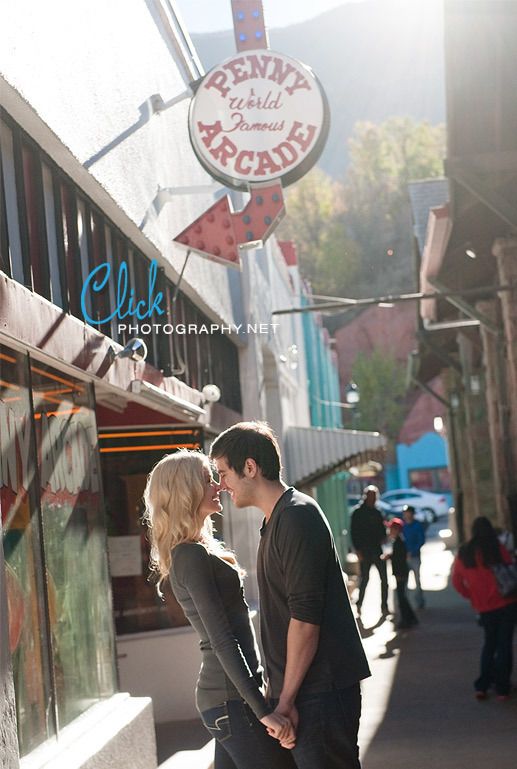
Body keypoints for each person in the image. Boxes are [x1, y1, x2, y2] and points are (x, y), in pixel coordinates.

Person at [210, 421, 370, 769]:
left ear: (249, 467)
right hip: (304, 691)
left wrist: (286, 700)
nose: (221, 486)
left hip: (320, 691)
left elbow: (305, 621)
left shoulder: (297, 515)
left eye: (224, 473)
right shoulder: (275, 520)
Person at [143, 449, 296, 769]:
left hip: (231, 699)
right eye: (207, 479)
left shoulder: (198, 551)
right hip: (231, 702)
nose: (219, 485)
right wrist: (263, 710)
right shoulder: (190, 556)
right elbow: (222, 639)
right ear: (186, 491)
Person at [452, 516, 517, 700]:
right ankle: (502, 688)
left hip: (484, 606)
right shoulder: (497, 548)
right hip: (506, 603)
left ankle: (482, 685)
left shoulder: (464, 553)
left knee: (489, 644)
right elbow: (510, 570)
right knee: (504, 645)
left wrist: (471, 596)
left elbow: (456, 581)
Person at [350, 485, 389, 616]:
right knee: (365, 579)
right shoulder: (358, 512)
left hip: (377, 550)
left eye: (374, 497)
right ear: (365, 497)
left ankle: (384, 606)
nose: (372, 499)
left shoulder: (377, 513)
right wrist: (358, 551)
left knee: (384, 579)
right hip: (365, 551)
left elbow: (383, 533)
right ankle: (359, 604)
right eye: (370, 496)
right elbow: (354, 533)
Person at [384, 518, 419, 630]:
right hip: (401, 572)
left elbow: (399, 559)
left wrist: (391, 557)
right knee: (402, 597)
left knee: (401, 598)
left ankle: (406, 619)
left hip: (401, 573)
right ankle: (411, 618)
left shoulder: (399, 542)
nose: (389, 531)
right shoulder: (398, 542)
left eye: (391, 529)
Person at [402, 505, 426, 609]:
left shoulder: (417, 525)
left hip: (415, 557)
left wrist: (412, 551)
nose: (406, 515)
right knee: (404, 581)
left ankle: (419, 602)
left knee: (417, 580)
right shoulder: (403, 526)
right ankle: (405, 602)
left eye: (408, 513)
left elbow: (421, 540)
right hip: (404, 558)